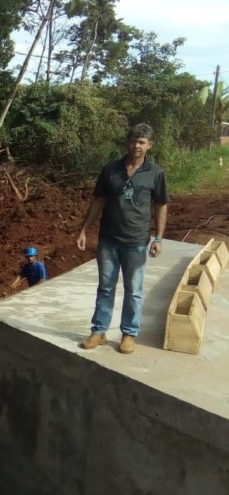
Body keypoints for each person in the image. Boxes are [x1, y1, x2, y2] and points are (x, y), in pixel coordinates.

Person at [76, 123, 169, 354]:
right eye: (133, 141)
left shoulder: (155, 173)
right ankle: (99, 332)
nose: (136, 146)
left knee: (133, 289)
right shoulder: (110, 170)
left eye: (141, 142)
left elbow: (160, 205)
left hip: (136, 242)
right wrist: (83, 230)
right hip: (108, 240)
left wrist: (158, 238)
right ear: (127, 142)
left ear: (149, 145)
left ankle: (128, 333)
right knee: (105, 287)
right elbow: (98, 200)